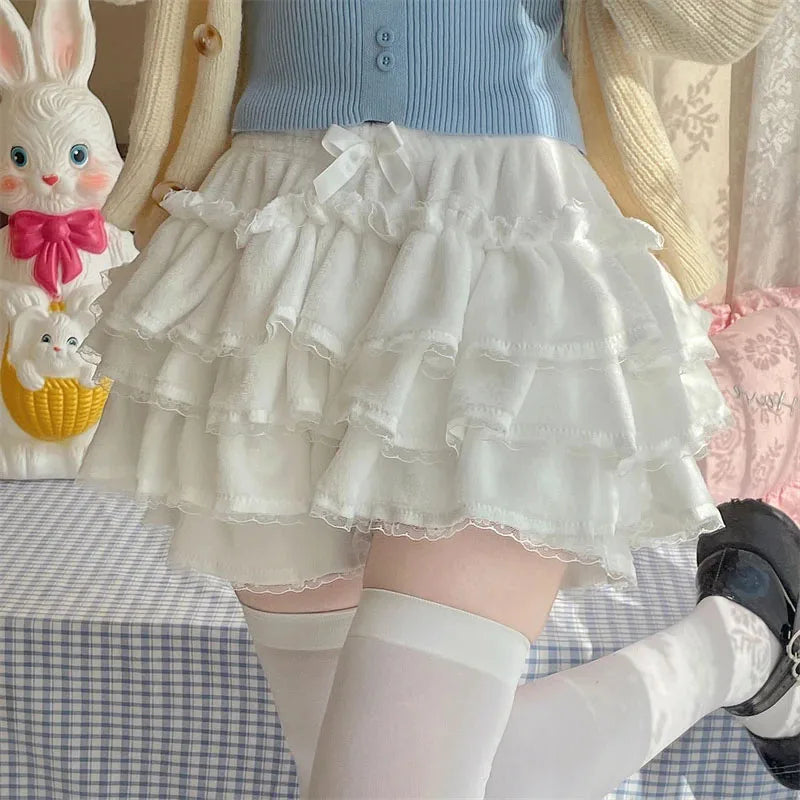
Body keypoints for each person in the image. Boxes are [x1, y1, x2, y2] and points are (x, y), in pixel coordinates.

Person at [77, 0, 797, 796]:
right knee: (365, 766)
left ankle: (740, 646)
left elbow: (719, 24)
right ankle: (745, 640)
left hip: (501, 256)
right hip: (272, 253)